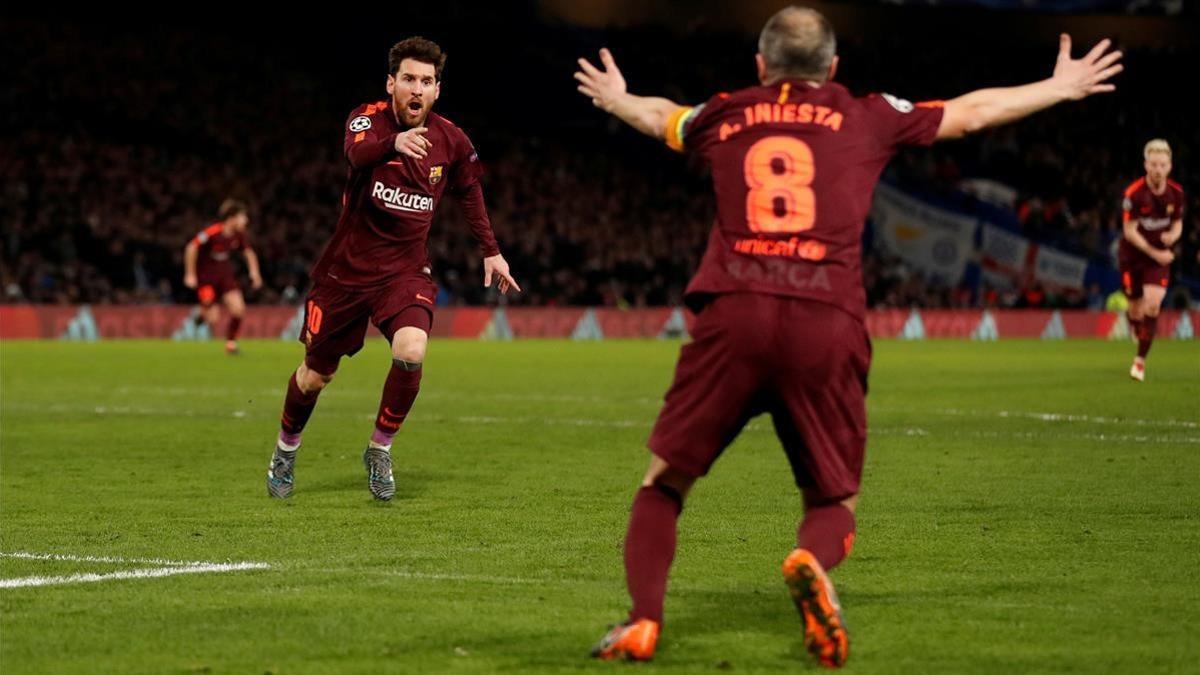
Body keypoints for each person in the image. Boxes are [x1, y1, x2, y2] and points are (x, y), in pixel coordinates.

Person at [574, 6, 1122, 666]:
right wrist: (1058, 87)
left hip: (735, 310)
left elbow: (659, 115)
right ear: (833, 68)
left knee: (664, 484)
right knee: (834, 498)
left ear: (759, 66)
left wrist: (616, 98)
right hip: (825, 317)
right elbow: (970, 112)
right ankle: (811, 557)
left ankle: (643, 622)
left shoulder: (724, 111)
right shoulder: (867, 113)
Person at [267, 37, 519, 501]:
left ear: (437, 90)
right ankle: (286, 449)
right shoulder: (367, 120)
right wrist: (393, 144)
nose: (416, 88)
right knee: (314, 376)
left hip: (404, 274)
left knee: (412, 349)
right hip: (344, 274)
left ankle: (379, 449)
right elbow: (356, 155)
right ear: (391, 83)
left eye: (426, 80)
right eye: (408, 79)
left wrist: (491, 249)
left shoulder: (452, 140)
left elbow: (470, 190)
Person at [1119, 139, 1184, 382]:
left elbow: (1178, 224)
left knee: (1153, 305)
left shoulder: (1176, 194)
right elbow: (1129, 232)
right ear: (1146, 165)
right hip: (1133, 256)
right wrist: (1155, 252)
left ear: (1169, 166)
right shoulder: (1134, 194)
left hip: (1158, 260)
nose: (1158, 169)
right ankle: (1136, 327)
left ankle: (1139, 362)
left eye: (1163, 164)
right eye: (1154, 164)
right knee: (1135, 309)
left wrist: (1173, 236)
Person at [182, 199, 262, 354]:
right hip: (206, 279)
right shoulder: (212, 232)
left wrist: (255, 273)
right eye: (242, 217)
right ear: (231, 218)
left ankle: (231, 343)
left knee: (238, 310)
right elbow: (191, 247)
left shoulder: (239, 235)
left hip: (225, 277)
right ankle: (201, 315)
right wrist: (190, 274)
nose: (245, 220)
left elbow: (249, 253)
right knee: (212, 319)